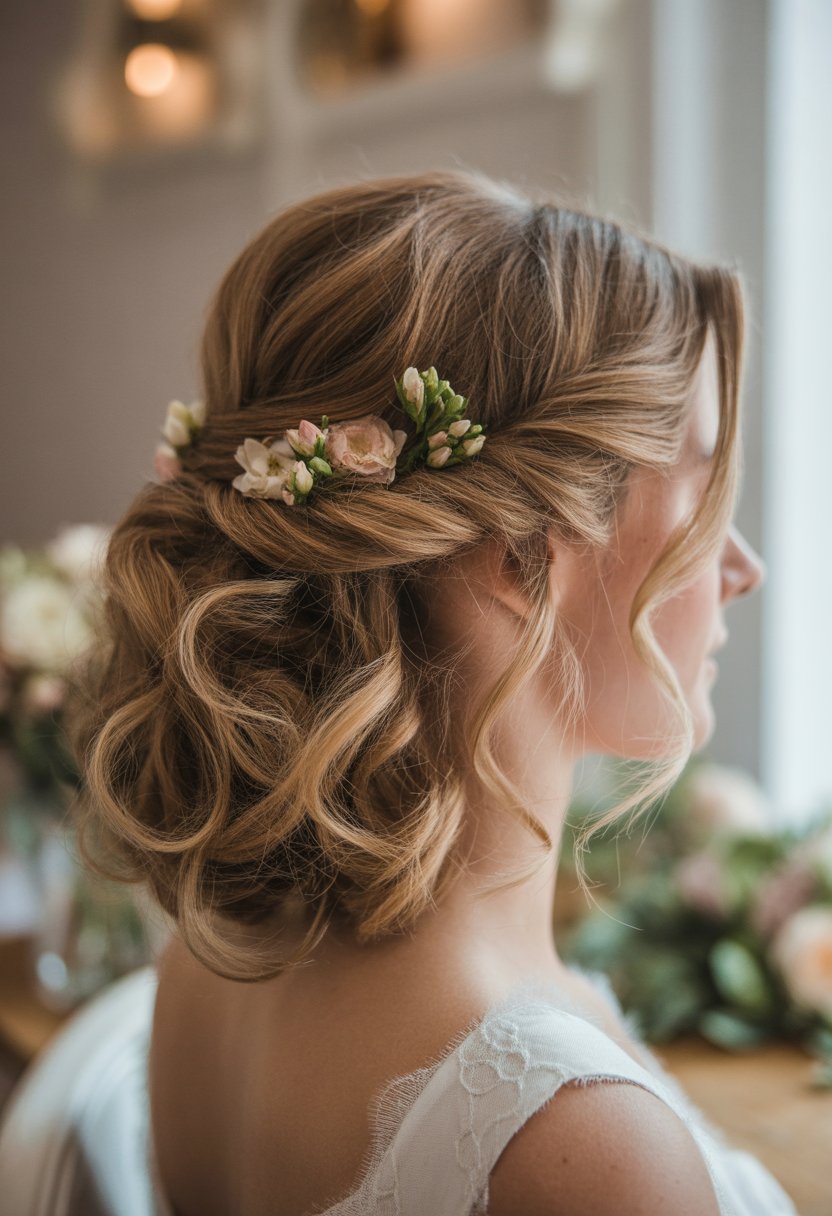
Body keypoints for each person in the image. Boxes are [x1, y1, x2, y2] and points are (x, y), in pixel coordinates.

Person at [66, 169, 796, 1215]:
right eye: (702, 488)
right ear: (520, 549)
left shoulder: (212, 962)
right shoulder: (580, 1149)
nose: (742, 565)